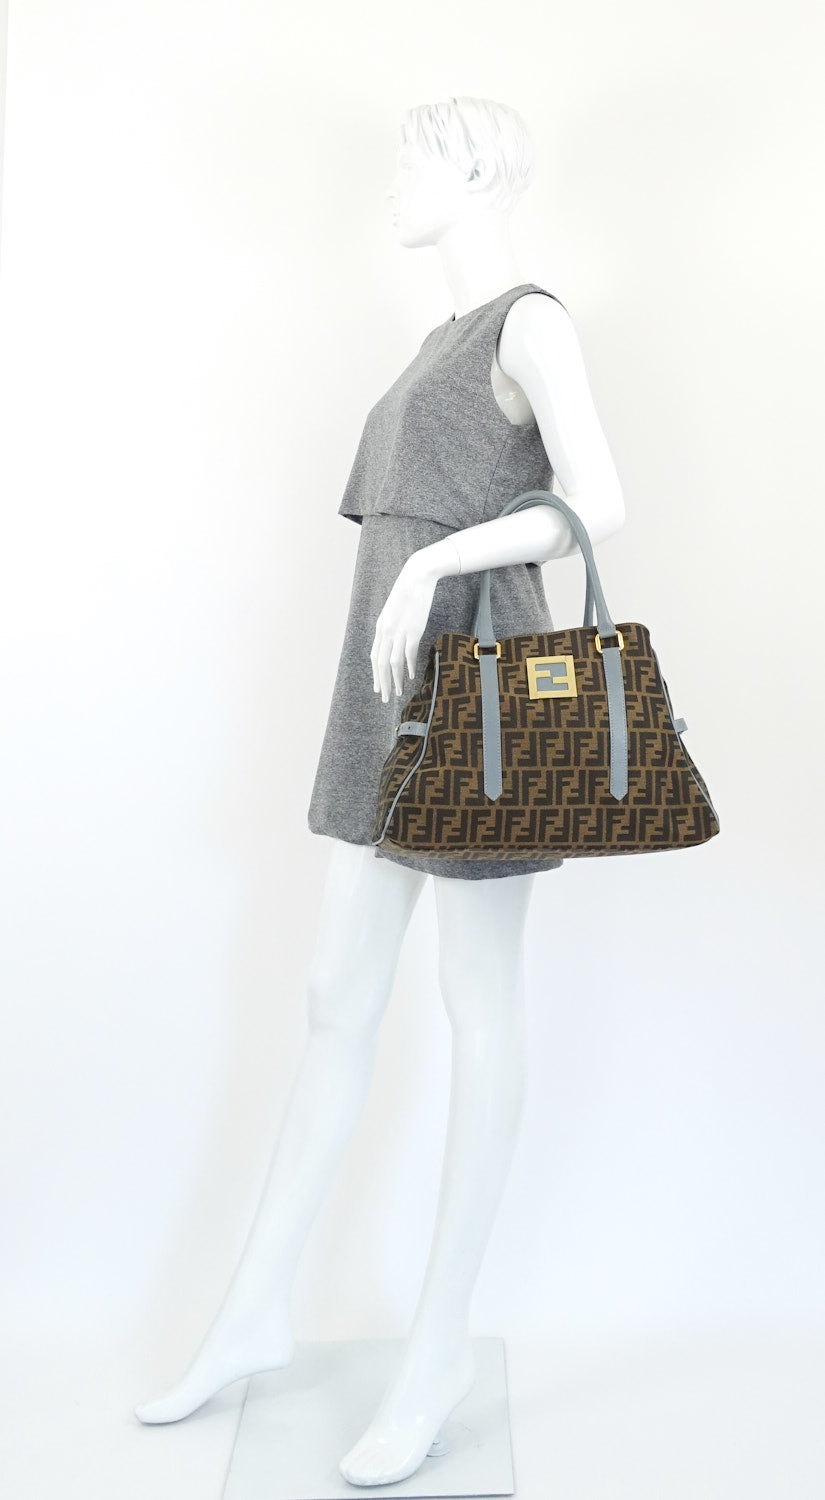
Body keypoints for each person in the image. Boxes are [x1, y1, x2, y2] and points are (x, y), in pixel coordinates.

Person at [135, 95, 625, 1488]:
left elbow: (602, 498)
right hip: (386, 686)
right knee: (332, 996)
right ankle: (253, 1310)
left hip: (483, 676)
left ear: (472, 167)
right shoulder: (432, 340)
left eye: (414, 161)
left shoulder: (532, 324)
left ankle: (439, 1346)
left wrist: (433, 562)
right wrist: (403, 578)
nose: (395, 185)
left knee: (480, 1004)